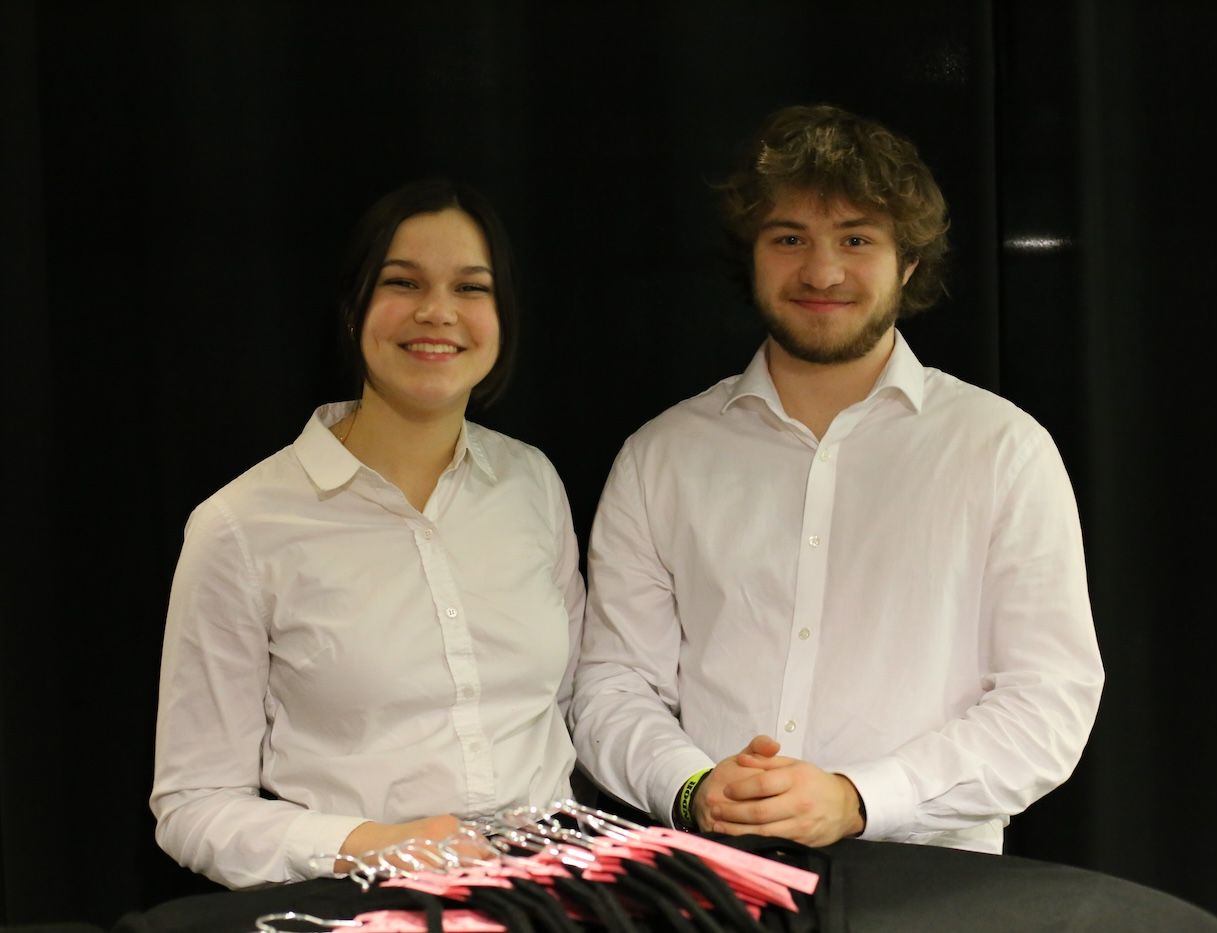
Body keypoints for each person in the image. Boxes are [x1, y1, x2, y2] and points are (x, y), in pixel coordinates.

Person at [570, 104, 1104, 854]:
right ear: (750, 256)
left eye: (856, 239)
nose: (822, 272)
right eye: (790, 239)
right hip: (715, 882)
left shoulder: (1002, 449)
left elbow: (1049, 702)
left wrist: (859, 799)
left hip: (932, 891)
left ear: (908, 262)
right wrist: (691, 788)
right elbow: (611, 686)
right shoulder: (661, 455)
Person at [151, 179, 584, 888]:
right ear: (354, 306)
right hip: (363, 906)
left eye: (471, 288)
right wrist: (368, 843)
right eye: (402, 282)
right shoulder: (239, 527)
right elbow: (194, 804)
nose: (437, 312)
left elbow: (562, 704)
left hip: (554, 897)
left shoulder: (532, 483)